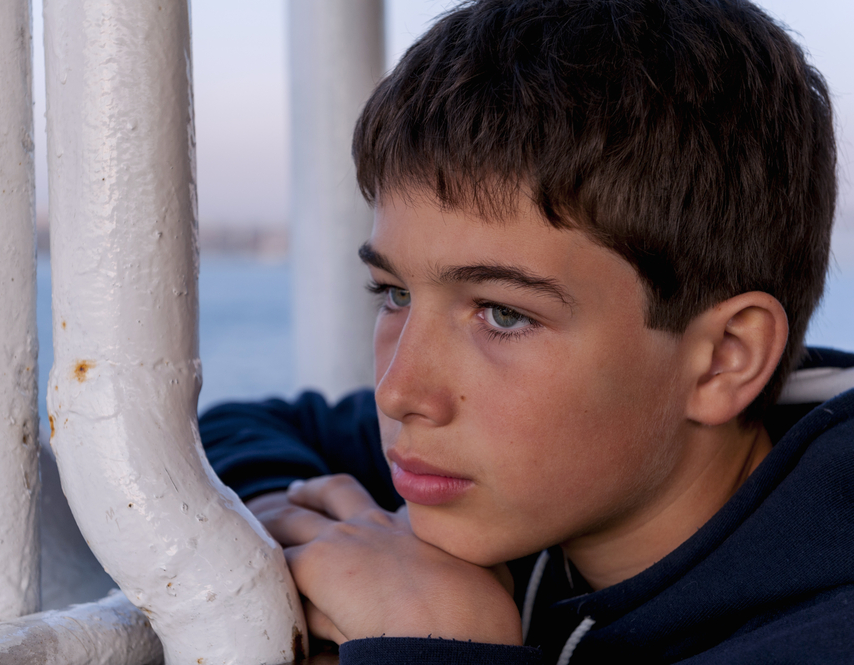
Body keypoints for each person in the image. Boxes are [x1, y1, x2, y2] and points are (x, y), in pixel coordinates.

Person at [200, 0, 854, 662]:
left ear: (724, 358)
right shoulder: (538, 481)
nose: (401, 391)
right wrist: (310, 536)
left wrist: (436, 642)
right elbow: (237, 429)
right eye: (395, 293)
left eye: (502, 314)